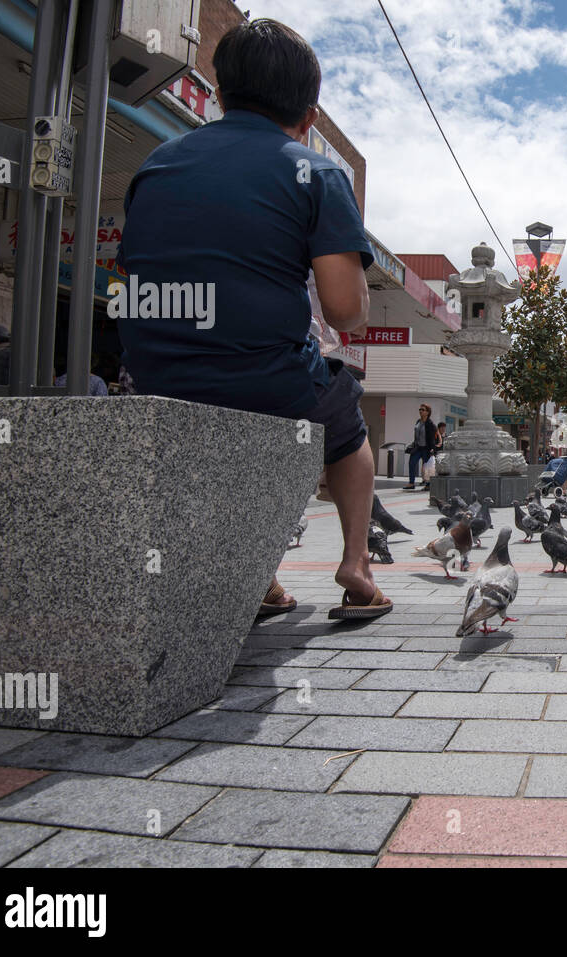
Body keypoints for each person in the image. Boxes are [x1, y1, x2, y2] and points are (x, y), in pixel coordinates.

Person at [117, 18, 390, 620]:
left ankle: (260, 574)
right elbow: (347, 315)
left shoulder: (159, 164)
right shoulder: (316, 174)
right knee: (345, 423)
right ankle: (356, 565)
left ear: (220, 94)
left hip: (152, 378)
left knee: (237, 418)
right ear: (309, 116)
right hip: (264, 379)